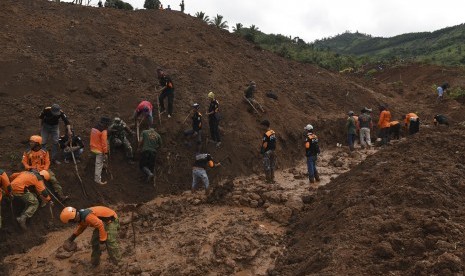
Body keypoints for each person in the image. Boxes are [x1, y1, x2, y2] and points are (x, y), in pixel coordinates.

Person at [22, 135, 69, 201]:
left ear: (37, 143)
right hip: (32, 171)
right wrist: (30, 168)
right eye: (30, 142)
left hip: (44, 169)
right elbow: (24, 162)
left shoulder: (44, 151)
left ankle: (61, 196)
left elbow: (47, 162)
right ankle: (43, 200)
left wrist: (45, 170)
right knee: (36, 185)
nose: (30, 143)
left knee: (53, 180)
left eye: (32, 142)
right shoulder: (27, 152)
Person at [90, 117, 111, 185]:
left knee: (98, 162)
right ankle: (97, 180)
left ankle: (103, 166)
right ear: (106, 124)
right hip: (99, 150)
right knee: (98, 165)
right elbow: (104, 142)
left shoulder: (94, 127)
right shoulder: (103, 130)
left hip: (92, 147)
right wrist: (105, 152)